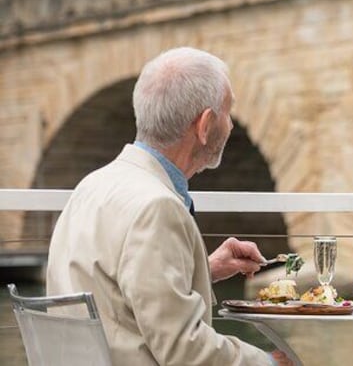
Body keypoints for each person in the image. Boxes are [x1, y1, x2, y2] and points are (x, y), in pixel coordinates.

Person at [46, 47, 291, 365]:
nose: (231, 125)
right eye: (228, 112)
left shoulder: (91, 187)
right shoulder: (157, 207)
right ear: (204, 126)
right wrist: (267, 363)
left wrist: (205, 268)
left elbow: (118, 290)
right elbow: (183, 349)